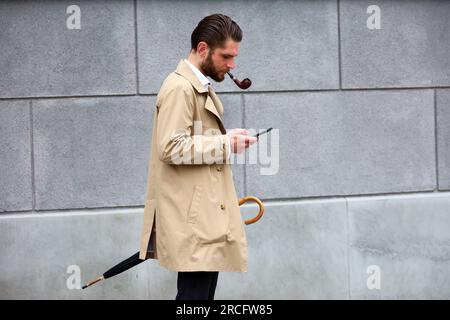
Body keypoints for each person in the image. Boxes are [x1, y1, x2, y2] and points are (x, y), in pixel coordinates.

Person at [138, 13, 257, 300]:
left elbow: (193, 140)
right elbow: (171, 147)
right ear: (203, 49)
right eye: (226, 57)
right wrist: (226, 143)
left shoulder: (196, 86)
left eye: (234, 57)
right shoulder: (180, 88)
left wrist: (227, 138)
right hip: (194, 224)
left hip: (201, 220)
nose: (232, 65)